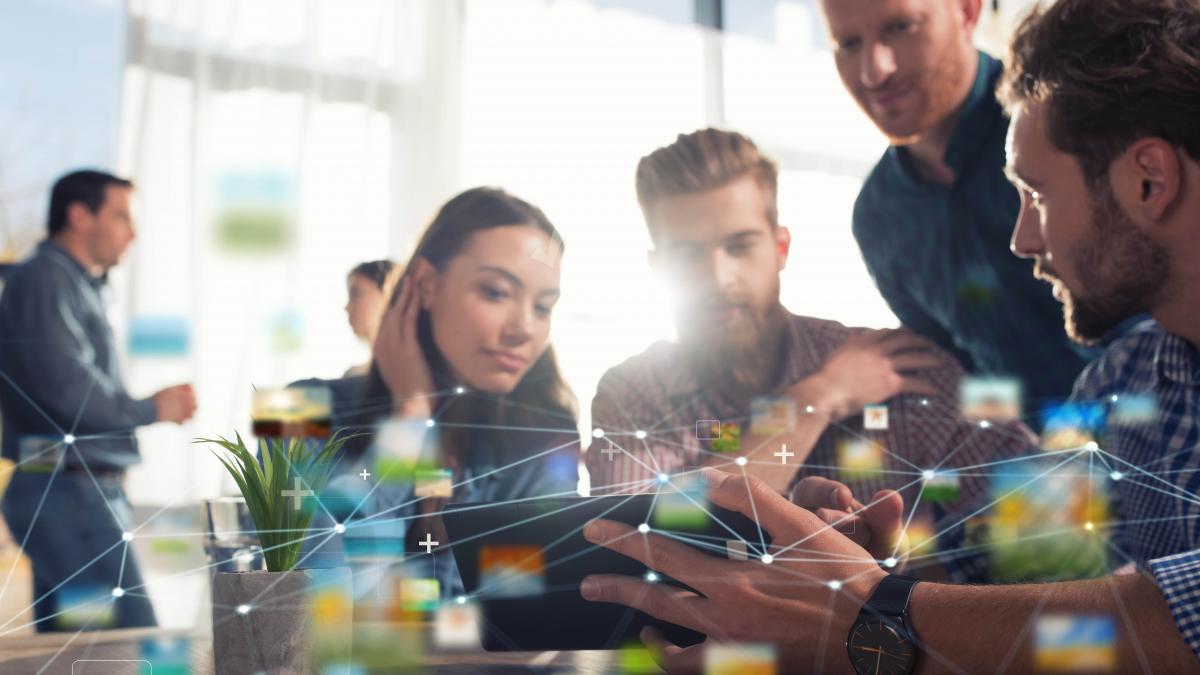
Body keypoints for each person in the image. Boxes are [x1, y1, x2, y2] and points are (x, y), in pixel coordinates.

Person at [581, 0, 1200, 670]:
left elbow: (1163, 611)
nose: (1021, 239)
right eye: (848, 42)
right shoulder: (1123, 379)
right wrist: (874, 565)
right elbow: (1059, 578)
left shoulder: (901, 365)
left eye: (1038, 195)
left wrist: (874, 606)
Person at [588, 128, 1034, 578]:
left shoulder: (897, 367)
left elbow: (1055, 502)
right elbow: (634, 546)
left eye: (740, 246)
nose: (718, 278)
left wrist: (902, 586)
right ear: (659, 268)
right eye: (687, 255)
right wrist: (819, 396)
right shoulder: (632, 393)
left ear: (781, 248)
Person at [823, 0, 1097, 409]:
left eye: (901, 27)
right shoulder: (877, 219)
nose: (874, 70)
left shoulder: (1069, 115)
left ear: (968, 12)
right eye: (848, 42)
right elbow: (956, 377)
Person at [330, 187, 581, 597]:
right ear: (426, 284)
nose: (524, 330)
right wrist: (410, 415)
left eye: (543, 307)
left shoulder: (543, 436)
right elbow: (321, 596)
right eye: (497, 292)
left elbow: (530, 608)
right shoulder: (302, 410)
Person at [0, 169, 196, 631]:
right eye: (121, 216)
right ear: (79, 216)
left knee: (79, 652)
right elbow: (66, 388)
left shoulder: (69, 283)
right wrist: (151, 409)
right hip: (69, 492)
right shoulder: (46, 278)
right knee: (126, 646)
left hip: (67, 489)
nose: (133, 232)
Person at [343, 259, 401, 377]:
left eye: (356, 294)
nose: (347, 307)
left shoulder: (408, 376)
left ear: (388, 293)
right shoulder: (353, 376)